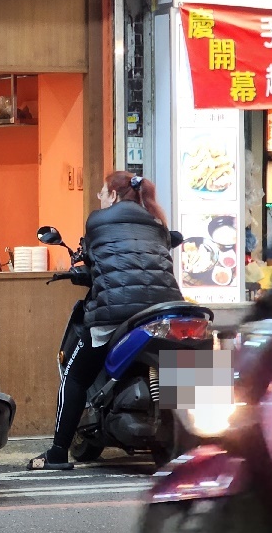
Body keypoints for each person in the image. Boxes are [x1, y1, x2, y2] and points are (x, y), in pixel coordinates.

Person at [28, 172, 181, 471]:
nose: (99, 198)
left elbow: (94, 261)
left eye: (101, 192)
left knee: (74, 376)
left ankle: (58, 452)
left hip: (116, 313)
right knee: (190, 369)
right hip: (166, 309)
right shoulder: (158, 225)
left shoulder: (99, 221)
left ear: (113, 194)